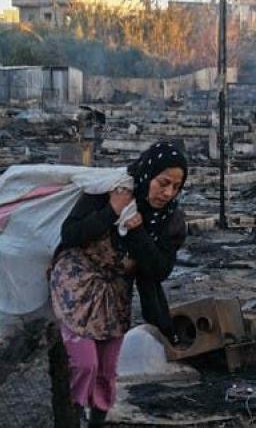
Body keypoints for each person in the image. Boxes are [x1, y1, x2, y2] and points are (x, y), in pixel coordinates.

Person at [49, 141, 188, 426]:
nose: (168, 193)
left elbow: (159, 269)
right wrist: (112, 211)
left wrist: (137, 230)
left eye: (176, 187)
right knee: (84, 363)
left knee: (107, 370)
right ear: (148, 174)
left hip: (116, 293)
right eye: (163, 183)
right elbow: (71, 232)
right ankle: (72, 415)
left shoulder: (169, 220)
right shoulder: (109, 190)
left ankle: (96, 422)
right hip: (78, 284)